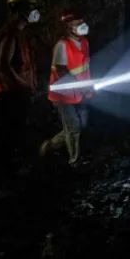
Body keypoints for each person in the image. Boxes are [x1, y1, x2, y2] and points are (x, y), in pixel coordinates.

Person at [0, 0, 40, 183]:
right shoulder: (11, 33)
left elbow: (23, 64)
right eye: (31, 6)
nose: (35, 11)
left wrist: (30, 83)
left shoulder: (21, 33)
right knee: (6, 136)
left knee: (15, 134)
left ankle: (9, 173)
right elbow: (4, 65)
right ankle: (0, 178)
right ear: (20, 9)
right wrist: (23, 85)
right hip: (9, 94)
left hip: (17, 92)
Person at [40, 11, 92, 165]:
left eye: (82, 22)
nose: (82, 26)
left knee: (81, 124)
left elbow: (85, 67)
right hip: (63, 94)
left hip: (81, 91)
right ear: (69, 27)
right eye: (77, 23)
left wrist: (87, 86)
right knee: (74, 126)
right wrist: (79, 85)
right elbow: (61, 71)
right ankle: (74, 161)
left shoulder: (84, 43)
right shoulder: (62, 45)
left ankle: (50, 146)